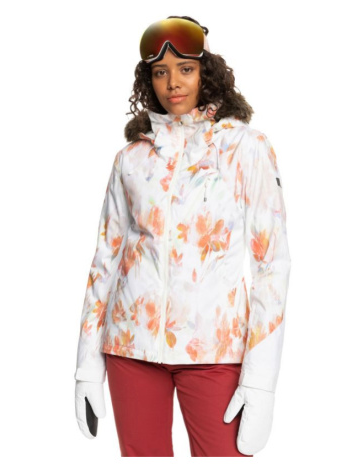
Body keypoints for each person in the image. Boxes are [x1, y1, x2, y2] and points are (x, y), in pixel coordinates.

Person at [74, 16, 292, 457]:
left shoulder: (245, 148)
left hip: (215, 350)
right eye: (160, 72)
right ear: (148, 80)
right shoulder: (130, 159)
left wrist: (260, 379)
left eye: (185, 69)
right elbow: (104, 262)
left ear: (206, 72)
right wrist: (86, 367)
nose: (173, 82)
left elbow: (272, 264)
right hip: (130, 348)